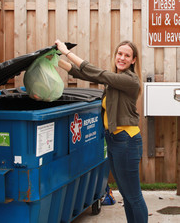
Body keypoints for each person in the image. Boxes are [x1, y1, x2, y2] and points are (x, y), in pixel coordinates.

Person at [55, 39, 148, 223]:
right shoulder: (115, 80)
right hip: (115, 140)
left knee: (133, 196)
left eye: (127, 55)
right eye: (119, 54)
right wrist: (56, 61)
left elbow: (96, 72)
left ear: (133, 60)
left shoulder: (129, 80)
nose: (121, 58)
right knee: (126, 195)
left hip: (126, 141)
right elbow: (89, 75)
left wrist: (66, 52)